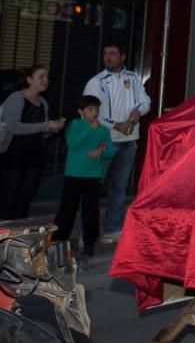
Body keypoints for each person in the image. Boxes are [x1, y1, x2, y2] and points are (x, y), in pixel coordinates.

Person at [83, 42, 151, 244]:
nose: (108, 57)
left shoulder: (133, 79)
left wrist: (139, 110)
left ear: (123, 56)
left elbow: (145, 101)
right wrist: (115, 125)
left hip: (129, 142)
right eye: (106, 54)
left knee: (119, 188)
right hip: (105, 142)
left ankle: (112, 229)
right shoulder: (96, 82)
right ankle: (86, 231)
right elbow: (90, 112)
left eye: (113, 54)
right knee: (92, 188)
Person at [53, 95, 117, 257]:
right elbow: (73, 143)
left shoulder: (103, 130)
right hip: (73, 174)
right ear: (81, 111)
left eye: (97, 109)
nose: (95, 113)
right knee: (67, 209)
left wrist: (101, 152)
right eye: (90, 109)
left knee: (91, 211)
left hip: (93, 176)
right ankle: (58, 240)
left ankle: (89, 243)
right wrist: (90, 129)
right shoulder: (75, 125)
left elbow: (111, 151)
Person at [0, 65, 65, 219]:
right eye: (41, 77)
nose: (45, 80)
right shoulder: (16, 98)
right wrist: (45, 125)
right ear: (29, 80)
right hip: (13, 156)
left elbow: (41, 132)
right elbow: (13, 127)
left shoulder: (43, 102)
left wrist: (51, 129)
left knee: (25, 199)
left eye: (47, 77)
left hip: (34, 157)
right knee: (9, 198)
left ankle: (18, 237)